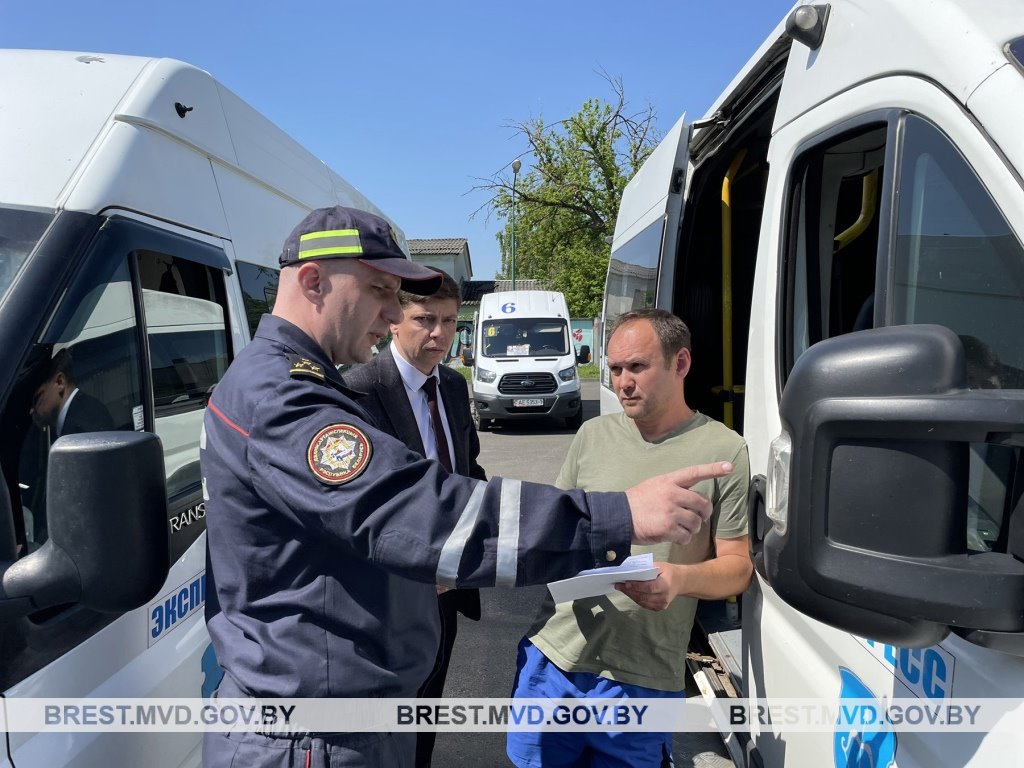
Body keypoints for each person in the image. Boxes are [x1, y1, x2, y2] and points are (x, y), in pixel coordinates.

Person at [200, 205, 732, 768]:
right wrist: (618, 515)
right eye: (381, 290)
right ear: (312, 280)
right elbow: (420, 515)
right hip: (313, 735)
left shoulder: (289, 384)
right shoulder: (286, 398)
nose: (390, 313)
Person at [506, 308, 752, 768]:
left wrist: (678, 578)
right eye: (615, 369)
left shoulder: (724, 452)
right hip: (555, 657)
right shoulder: (592, 435)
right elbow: (554, 527)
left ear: (680, 364)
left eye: (637, 367)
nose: (623, 382)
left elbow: (738, 567)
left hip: (643, 673)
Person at [342, 268, 485, 767]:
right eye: (426, 319)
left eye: (449, 320)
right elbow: (354, 509)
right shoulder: (356, 391)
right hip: (388, 598)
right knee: (385, 728)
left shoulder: (451, 386)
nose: (440, 334)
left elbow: (470, 473)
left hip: (448, 592)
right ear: (396, 318)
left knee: (427, 716)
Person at [30, 347, 113, 437]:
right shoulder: (86, 411)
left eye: (37, 398)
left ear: (60, 382)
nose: (31, 410)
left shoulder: (81, 427)